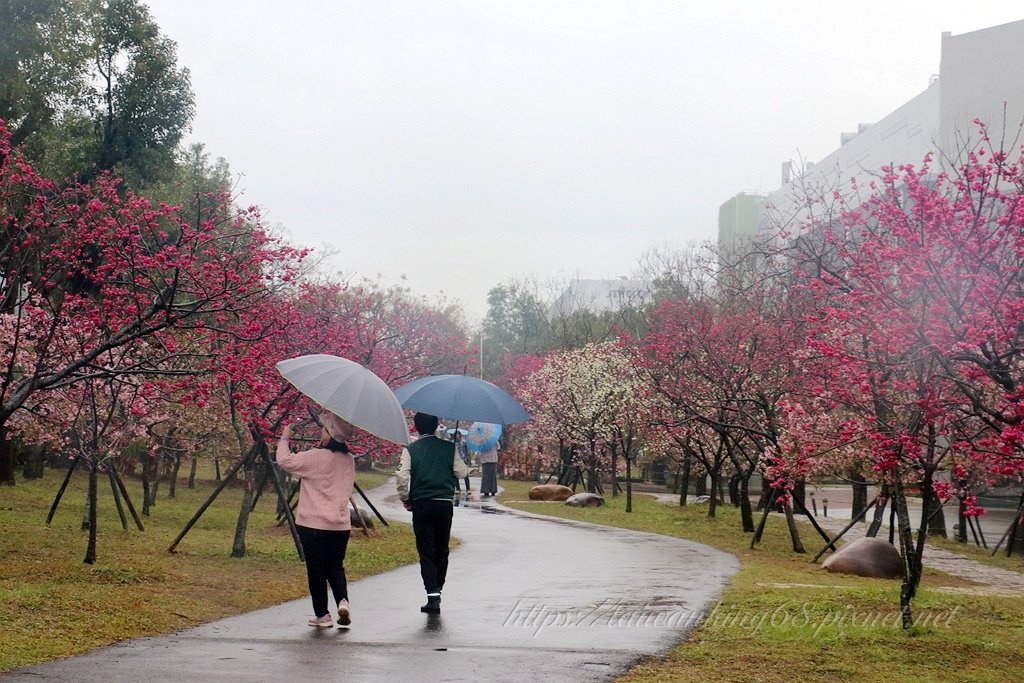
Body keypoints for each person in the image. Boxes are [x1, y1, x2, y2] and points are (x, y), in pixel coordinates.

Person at [277, 412, 356, 628]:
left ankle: (322, 615)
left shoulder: (315, 457)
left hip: (312, 524)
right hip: (340, 525)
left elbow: (284, 460)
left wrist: (285, 437)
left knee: (316, 570)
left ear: (330, 434)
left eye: (323, 429)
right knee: (336, 566)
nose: (320, 432)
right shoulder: (349, 460)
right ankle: (343, 600)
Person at [395, 412, 470, 614]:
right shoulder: (449, 448)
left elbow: (401, 477)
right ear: (437, 425)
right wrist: (452, 454)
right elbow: (462, 472)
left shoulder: (410, 450)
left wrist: (405, 499)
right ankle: (439, 587)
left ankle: (432, 593)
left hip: (421, 504)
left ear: (417, 427)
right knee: (442, 548)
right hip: (444, 504)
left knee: (426, 549)